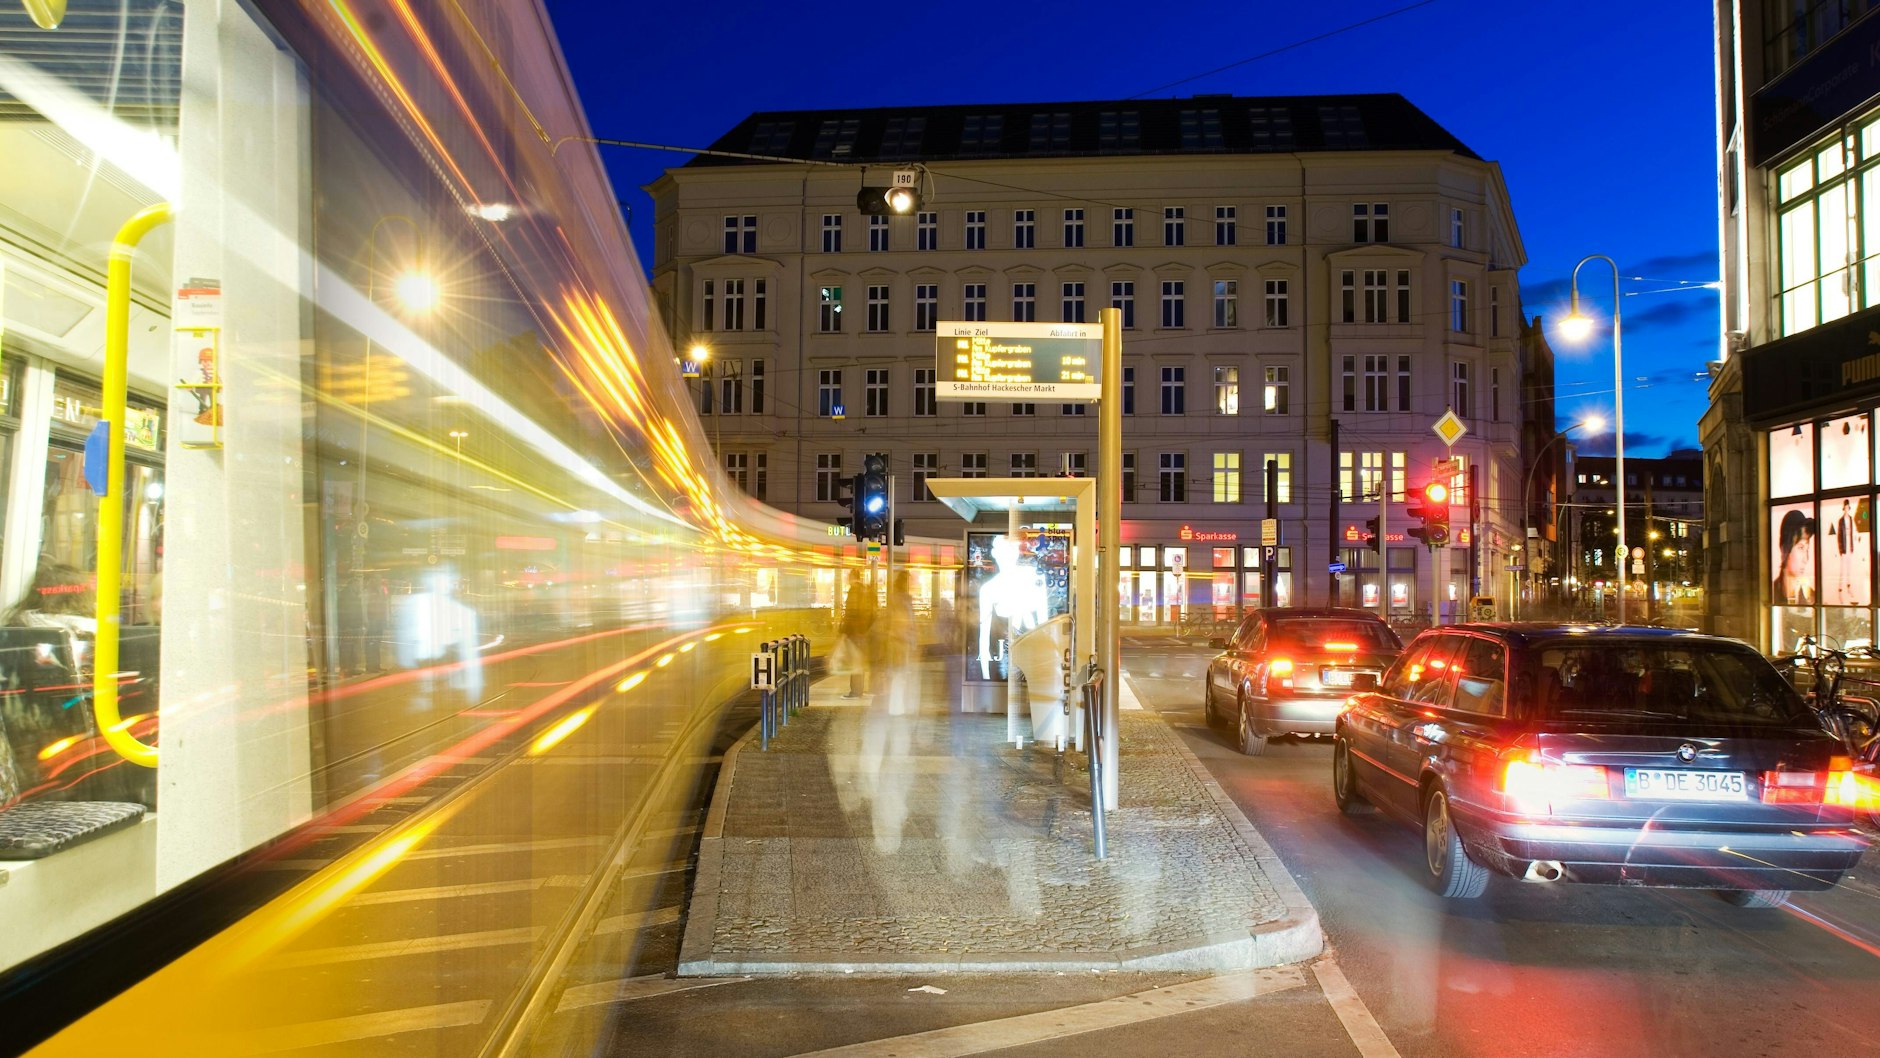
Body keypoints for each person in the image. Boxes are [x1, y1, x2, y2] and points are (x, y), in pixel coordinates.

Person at [837, 570, 874, 698]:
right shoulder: (864, 590)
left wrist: (844, 630)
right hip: (863, 631)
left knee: (855, 661)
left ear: (852, 577)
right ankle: (859, 690)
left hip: (855, 631)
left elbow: (851, 612)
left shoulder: (854, 590)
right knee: (858, 661)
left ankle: (855, 691)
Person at [1773, 509, 1817, 606]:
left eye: (1807, 549)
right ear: (1785, 549)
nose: (1806, 559)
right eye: (1801, 548)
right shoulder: (1770, 592)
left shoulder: (1812, 597)